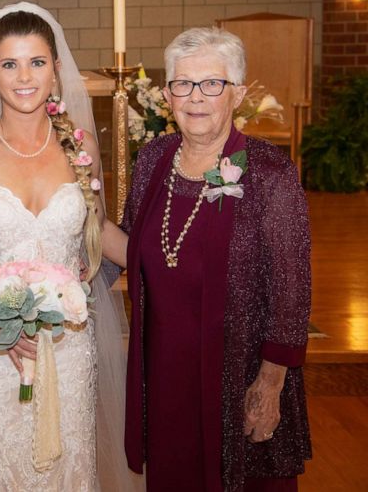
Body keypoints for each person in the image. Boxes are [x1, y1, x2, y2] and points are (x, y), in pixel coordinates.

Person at [0, 2, 142, 491]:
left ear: (56, 70)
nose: (24, 76)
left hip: (69, 344)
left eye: (37, 62)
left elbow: (98, 227)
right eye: (9, 64)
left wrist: (160, 266)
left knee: (68, 467)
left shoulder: (78, 147)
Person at [122, 27, 312, 491]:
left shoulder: (270, 172)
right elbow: (131, 245)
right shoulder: (152, 158)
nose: (196, 97)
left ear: (238, 94)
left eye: (213, 84)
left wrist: (270, 385)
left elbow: (292, 290)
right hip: (165, 370)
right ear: (167, 95)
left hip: (239, 370)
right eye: (182, 84)